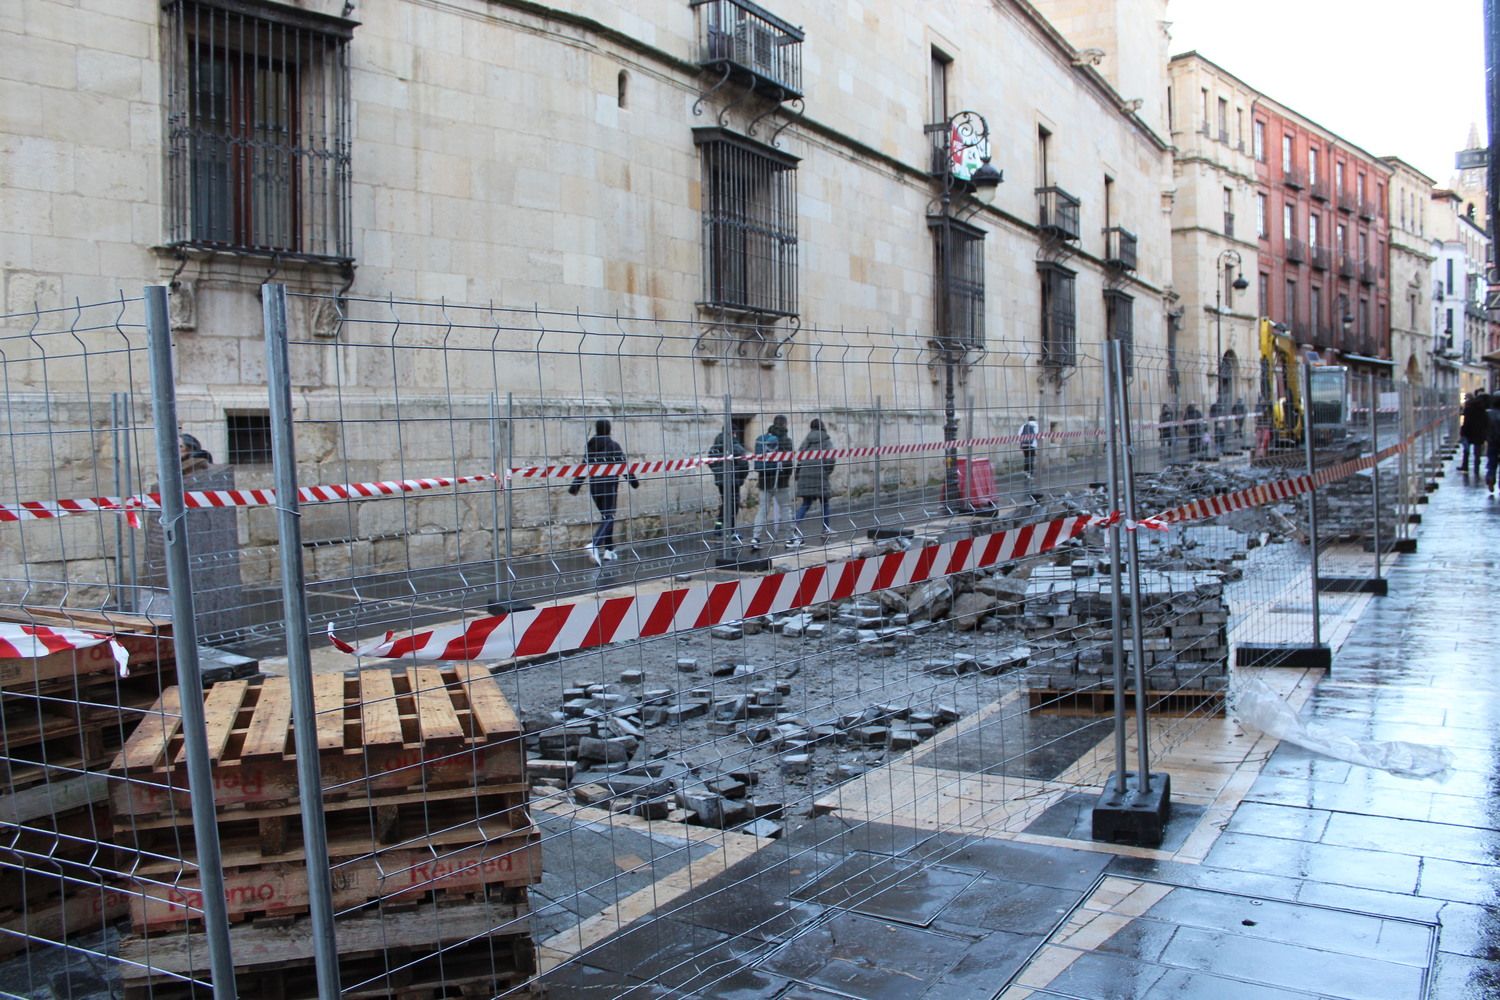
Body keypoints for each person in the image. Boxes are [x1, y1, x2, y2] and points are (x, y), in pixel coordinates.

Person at [567, 419, 638, 565]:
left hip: (595, 487)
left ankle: (609, 550)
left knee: (606, 517)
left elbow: (583, 467)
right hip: (609, 486)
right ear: (608, 430)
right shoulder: (613, 446)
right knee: (609, 517)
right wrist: (634, 482)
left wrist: (575, 487)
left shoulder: (590, 447)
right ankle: (594, 544)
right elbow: (623, 466)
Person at [786, 418, 835, 548]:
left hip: (806, 475)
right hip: (820, 475)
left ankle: (794, 525)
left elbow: (800, 457)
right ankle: (825, 528)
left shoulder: (806, 440)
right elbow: (831, 459)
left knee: (806, 504)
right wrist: (827, 472)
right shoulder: (826, 440)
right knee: (825, 503)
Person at [749, 415, 793, 551]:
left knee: (763, 509)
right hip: (781, 481)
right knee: (785, 508)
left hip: (764, 480)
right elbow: (788, 462)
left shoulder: (764, 439)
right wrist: (787, 476)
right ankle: (790, 537)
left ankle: (755, 538)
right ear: (785, 425)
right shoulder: (786, 440)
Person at [707, 426, 750, 542]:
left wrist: (718, 473)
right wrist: (740, 478)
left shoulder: (715, 447)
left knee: (725, 504)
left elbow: (710, 462)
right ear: (734, 433)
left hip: (721, 481)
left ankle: (718, 526)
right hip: (733, 481)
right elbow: (744, 465)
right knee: (733, 505)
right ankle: (731, 531)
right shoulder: (735, 446)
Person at [1461, 391, 1489, 473]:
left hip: (1469, 432)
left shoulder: (1469, 407)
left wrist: (1463, 432)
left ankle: (1465, 466)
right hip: (1479, 433)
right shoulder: (1482, 409)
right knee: (1477, 452)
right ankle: (1476, 467)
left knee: (1466, 450)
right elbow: (1485, 422)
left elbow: (1466, 421)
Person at [1486, 394, 1500, 493]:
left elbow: (1485, 427)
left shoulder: (1489, 414)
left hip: (1492, 441)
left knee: (1491, 462)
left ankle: (1490, 477)